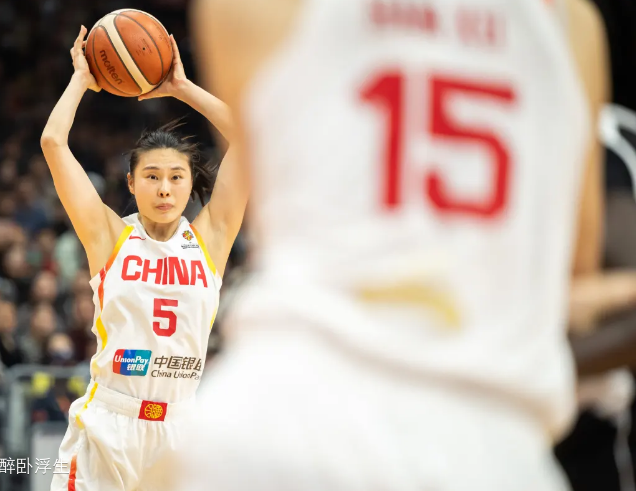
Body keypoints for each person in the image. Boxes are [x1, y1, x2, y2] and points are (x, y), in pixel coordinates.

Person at [168, 0, 610, 490]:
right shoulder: (573, 26)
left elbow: (264, 193)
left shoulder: (257, 9)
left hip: (291, 412)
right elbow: (572, 272)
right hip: (489, 443)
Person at [42, 26, 246, 491]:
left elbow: (250, 138)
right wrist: (81, 79)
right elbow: (53, 142)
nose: (164, 188)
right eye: (152, 176)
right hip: (108, 426)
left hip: (180, 430)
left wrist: (182, 87)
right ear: (132, 184)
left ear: (191, 184)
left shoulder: (212, 238)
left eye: (176, 177)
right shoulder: (109, 236)